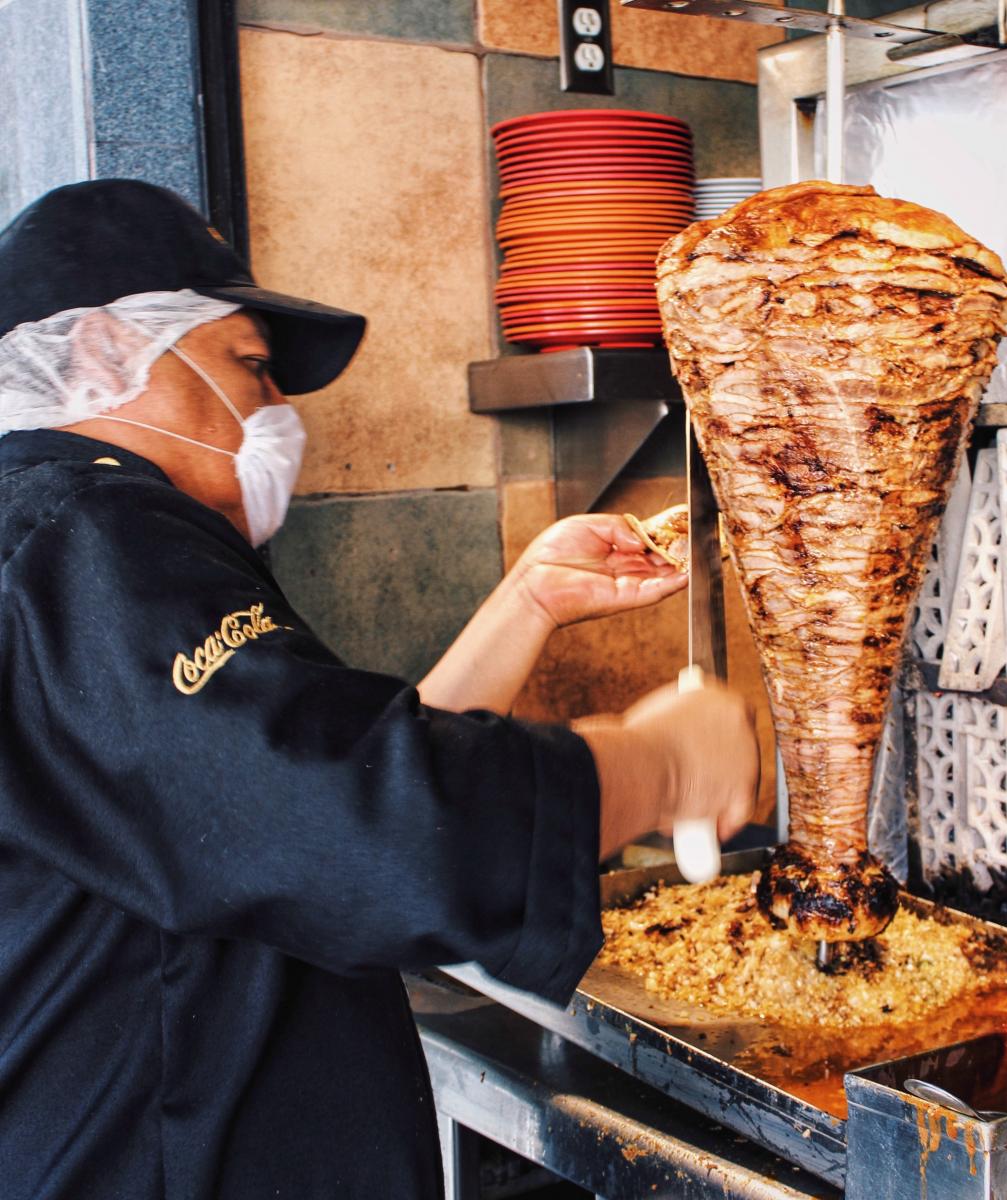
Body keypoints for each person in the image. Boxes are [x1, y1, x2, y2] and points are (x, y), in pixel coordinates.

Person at [0, 180, 760, 1199]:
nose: (276, 414)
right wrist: (660, 761)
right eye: (252, 368)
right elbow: (364, 831)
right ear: (100, 352)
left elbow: (272, 806)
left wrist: (524, 604)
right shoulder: (87, 537)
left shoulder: (49, 544)